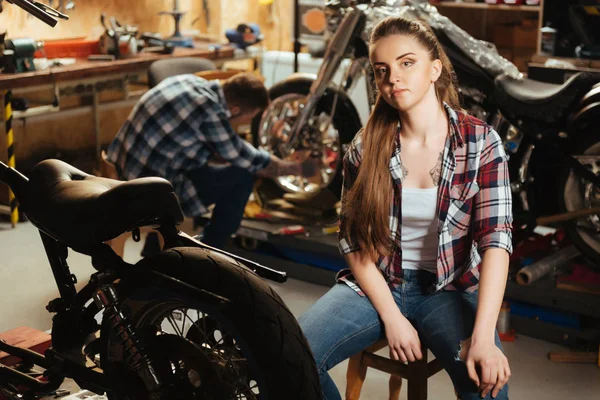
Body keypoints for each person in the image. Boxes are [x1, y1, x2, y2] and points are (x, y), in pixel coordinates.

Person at [299, 16, 513, 400]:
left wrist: (484, 338)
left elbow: (496, 240)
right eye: (382, 70)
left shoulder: (480, 142)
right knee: (289, 355)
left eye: (406, 63)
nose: (393, 77)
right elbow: (354, 242)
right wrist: (394, 319)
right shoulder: (366, 147)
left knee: (489, 386)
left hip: (449, 289)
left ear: (434, 69)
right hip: (379, 284)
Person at [106, 72, 318, 249]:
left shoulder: (189, 81)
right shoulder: (208, 109)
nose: (249, 122)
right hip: (146, 187)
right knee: (242, 176)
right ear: (235, 110)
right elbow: (247, 159)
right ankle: (211, 251)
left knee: (226, 166)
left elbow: (205, 144)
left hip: (121, 165)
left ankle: (174, 246)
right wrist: (299, 168)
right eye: (251, 117)